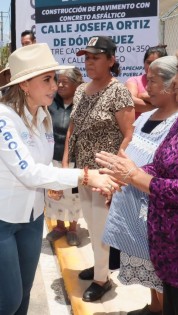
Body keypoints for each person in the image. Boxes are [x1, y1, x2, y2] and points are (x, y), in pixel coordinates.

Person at [0, 43, 119, 315]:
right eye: (47, 79)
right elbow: (28, 172)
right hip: (3, 222)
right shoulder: (4, 119)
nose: (55, 85)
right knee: (8, 301)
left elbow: (41, 165)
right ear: (24, 85)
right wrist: (85, 176)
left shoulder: (42, 114)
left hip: (32, 219)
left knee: (24, 296)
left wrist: (52, 184)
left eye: (54, 77)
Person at [95, 53, 178, 315]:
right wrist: (120, 176)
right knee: (157, 278)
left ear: (172, 85)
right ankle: (154, 308)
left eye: (152, 80)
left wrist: (134, 176)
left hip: (164, 221)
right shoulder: (147, 117)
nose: (146, 86)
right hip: (156, 225)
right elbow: (155, 164)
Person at [62, 35, 135, 302]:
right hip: (84, 171)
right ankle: (99, 265)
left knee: (101, 225)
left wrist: (115, 173)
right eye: (87, 58)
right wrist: (68, 160)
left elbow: (128, 134)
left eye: (95, 57)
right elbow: (73, 128)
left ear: (111, 60)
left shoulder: (118, 91)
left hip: (105, 175)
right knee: (91, 225)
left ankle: (102, 279)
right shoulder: (82, 90)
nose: (89, 63)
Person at [45, 67, 83, 246]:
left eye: (64, 82)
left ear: (76, 85)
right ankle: (59, 226)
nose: (59, 85)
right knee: (54, 195)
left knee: (73, 196)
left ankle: (73, 228)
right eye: (58, 81)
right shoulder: (50, 102)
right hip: (53, 156)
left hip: (74, 159)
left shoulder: (81, 104)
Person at [125, 45, 167, 119]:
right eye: (148, 62)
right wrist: (161, 109)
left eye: (155, 63)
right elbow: (130, 102)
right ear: (144, 63)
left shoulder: (171, 82)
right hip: (139, 128)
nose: (151, 66)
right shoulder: (134, 81)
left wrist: (142, 96)